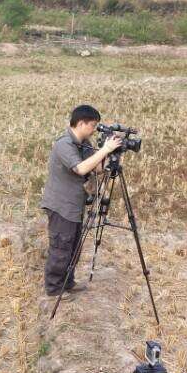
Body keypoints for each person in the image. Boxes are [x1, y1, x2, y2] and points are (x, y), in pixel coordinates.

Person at [40, 105, 122, 298]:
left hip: (74, 204)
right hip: (61, 205)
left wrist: (110, 155)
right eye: (93, 125)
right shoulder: (64, 144)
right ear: (81, 123)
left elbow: (97, 168)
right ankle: (54, 289)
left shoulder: (84, 142)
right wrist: (104, 149)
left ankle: (67, 283)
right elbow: (81, 169)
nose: (94, 129)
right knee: (61, 246)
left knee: (74, 245)